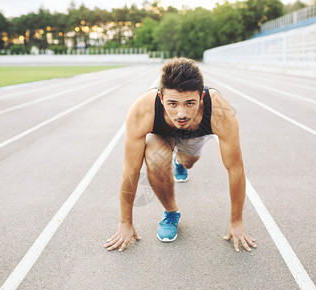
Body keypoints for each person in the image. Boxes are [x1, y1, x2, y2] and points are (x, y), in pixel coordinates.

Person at [104, 57, 257, 252]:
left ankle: (180, 162)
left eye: (190, 103)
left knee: (188, 161)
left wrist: (237, 222)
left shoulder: (220, 111)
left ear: (201, 98)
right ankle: (171, 212)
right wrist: (125, 222)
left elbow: (235, 168)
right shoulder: (143, 110)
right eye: (173, 104)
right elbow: (131, 170)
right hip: (162, 135)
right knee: (155, 159)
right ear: (161, 98)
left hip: (195, 137)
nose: (181, 114)